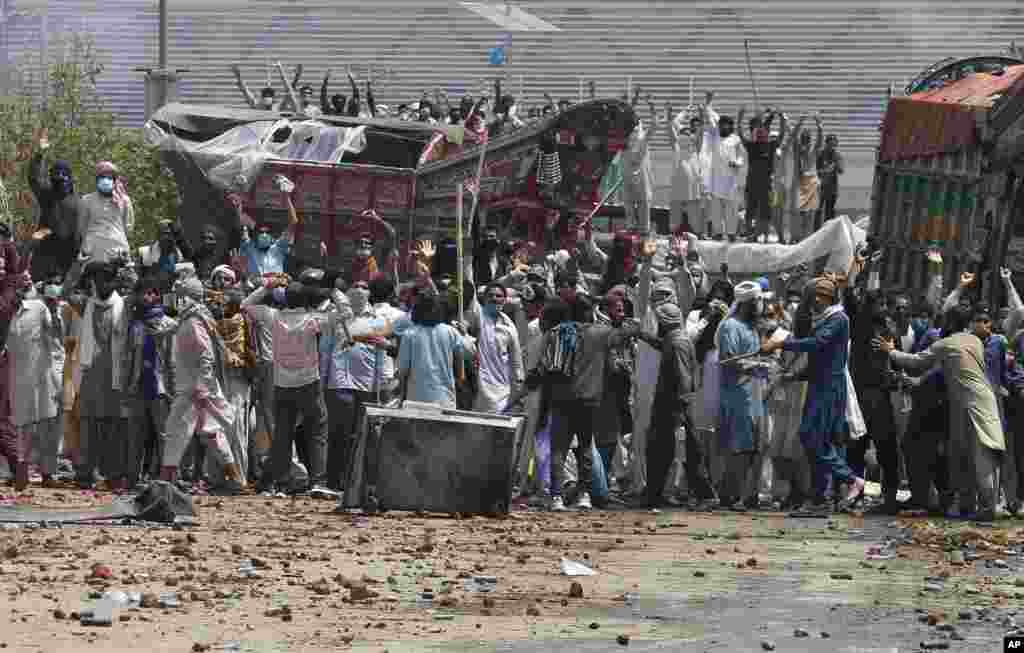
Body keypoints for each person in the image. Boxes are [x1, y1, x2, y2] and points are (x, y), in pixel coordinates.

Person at [876, 305, 1005, 521]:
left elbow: (917, 361)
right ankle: (970, 505)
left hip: (970, 404)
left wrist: (890, 351)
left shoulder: (947, 344)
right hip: (979, 401)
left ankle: (987, 507)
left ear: (950, 323)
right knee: (966, 455)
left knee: (978, 455)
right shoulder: (973, 341)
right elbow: (945, 369)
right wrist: (915, 381)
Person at [764, 276, 865, 514]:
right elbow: (818, 360)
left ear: (823, 297)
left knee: (811, 436)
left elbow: (817, 344)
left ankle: (851, 480)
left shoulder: (838, 319)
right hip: (819, 384)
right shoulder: (825, 319)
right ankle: (819, 499)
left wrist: (780, 344)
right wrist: (794, 376)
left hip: (830, 387)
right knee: (816, 440)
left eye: (812, 297)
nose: (809, 303)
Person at [161, 277, 244, 492]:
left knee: (176, 431)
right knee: (211, 434)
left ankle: (165, 481)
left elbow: (206, 356)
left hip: (193, 389)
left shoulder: (194, 321)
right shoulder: (192, 318)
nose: (174, 299)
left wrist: (201, 386)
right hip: (197, 387)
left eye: (178, 295)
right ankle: (235, 480)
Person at [644, 301, 716, 510]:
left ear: (664, 322)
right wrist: (643, 335)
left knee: (679, 452)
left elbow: (683, 378)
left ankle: (705, 495)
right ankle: (653, 495)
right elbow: (663, 344)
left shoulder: (677, 343)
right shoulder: (676, 338)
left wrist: (680, 411)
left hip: (673, 406)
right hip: (676, 405)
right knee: (665, 451)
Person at [75, 260, 133, 490]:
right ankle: (84, 473)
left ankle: (113, 474)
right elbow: (67, 292)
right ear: (93, 281)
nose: (104, 284)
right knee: (88, 425)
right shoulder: (85, 304)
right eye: (99, 279)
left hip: (116, 375)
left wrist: (129, 271)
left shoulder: (125, 305)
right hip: (90, 373)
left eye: (109, 279)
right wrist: (81, 269)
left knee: (114, 426)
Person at [716, 281, 772, 510]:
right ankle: (732, 496)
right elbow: (729, 360)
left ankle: (748, 495)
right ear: (749, 303)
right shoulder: (730, 326)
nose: (762, 305)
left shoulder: (752, 327)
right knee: (740, 447)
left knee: (755, 446)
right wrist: (757, 365)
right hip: (738, 395)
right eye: (759, 301)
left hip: (756, 393)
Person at [8, 273, 64, 488]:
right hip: (17, 379)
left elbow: (55, 332)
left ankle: (48, 474)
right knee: (22, 427)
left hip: (43, 378)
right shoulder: (5, 314)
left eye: (26, 285)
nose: (21, 289)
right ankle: (21, 470)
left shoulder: (38, 308)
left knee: (47, 427)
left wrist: (53, 310)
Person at [124, 277, 177, 484]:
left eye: (153, 293)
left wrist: (173, 389)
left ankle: (167, 479)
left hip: (162, 389)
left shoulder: (170, 325)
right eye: (145, 293)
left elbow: (173, 360)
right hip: (139, 387)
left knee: (164, 435)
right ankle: (132, 477)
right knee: (136, 436)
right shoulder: (136, 324)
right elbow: (130, 357)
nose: (149, 297)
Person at [397, 291, 471, 408]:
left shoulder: (409, 334)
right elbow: (470, 351)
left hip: (417, 399)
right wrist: (464, 334)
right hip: (443, 399)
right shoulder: (449, 331)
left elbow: (402, 370)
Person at [26, 128, 80, 281]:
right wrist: (41, 153)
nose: (60, 177)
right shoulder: (47, 195)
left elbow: (81, 232)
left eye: (64, 174)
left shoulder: (79, 202)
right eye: (56, 173)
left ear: (70, 178)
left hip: (67, 261)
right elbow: (34, 177)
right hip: (44, 257)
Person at [466, 283, 523, 414]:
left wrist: (519, 393)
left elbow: (517, 364)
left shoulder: (509, 327)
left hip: (503, 390)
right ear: (484, 299)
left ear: (505, 300)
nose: (494, 298)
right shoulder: (479, 316)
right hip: (481, 389)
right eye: (490, 295)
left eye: (499, 296)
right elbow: (469, 287)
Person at [701, 92, 745, 240]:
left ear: (730, 126)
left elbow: (740, 157)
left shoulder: (736, 139)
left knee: (732, 209)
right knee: (716, 210)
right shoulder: (715, 137)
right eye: (722, 124)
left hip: (730, 181)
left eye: (727, 124)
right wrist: (708, 101)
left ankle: (732, 233)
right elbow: (709, 115)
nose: (724, 126)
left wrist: (737, 163)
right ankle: (718, 233)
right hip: (716, 180)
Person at [738, 108, 787, 242]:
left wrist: (782, 119)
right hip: (752, 183)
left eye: (763, 132)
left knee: (766, 212)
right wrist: (740, 118)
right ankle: (750, 235)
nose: (760, 134)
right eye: (757, 133)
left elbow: (782, 135)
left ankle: (763, 236)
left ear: (766, 134)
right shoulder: (751, 146)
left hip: (766, 184)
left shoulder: (771, 146)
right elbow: (740, 134)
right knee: (750, 211)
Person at [240, 189, 299, 276]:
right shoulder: (249, 247)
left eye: (267, 233)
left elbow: (294, 221)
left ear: (272, 237)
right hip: (255, 288)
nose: (264, 235)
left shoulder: (278, 248)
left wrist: (286, 197)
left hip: (277, 287)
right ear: (255, 236)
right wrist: (238, 204)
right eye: (261, 232)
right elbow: (241, 221)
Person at [669, 107, 706, 235]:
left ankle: (699, 235)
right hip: (677, 187)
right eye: (683, 133)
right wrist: (669, 115)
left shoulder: (696, 147)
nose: (685, 135)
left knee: (695, 215)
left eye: (688, 133)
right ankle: (673, 235)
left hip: (692, 188)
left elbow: (700, 130)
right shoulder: (676, 146)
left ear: (692, 137)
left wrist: (701, 114)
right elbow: (670, 129)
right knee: (675, 216)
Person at [815, 134, 844, 225]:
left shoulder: (837, 155)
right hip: (822, 187)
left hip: (832, 189)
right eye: (830, 144)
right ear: (826, 143)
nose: (832, 147)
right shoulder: (821, 154)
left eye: (834, 144)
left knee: (830, 211)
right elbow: (818, 171)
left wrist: (835, 165)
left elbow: (841, 170)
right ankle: (816, 231)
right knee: (818, 210)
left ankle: (829, 230)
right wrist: (825, 171)